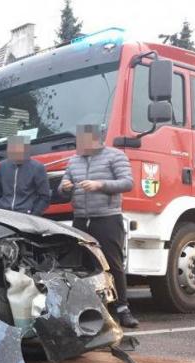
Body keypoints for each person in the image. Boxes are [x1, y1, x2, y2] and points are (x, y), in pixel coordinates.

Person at [59, 124, 138, 328]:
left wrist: (99, 184)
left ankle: (123, 309)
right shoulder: (73, 161)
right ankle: (89, 309)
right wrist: (65, 187)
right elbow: (63, 188)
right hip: (80, 220)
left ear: (96, 140)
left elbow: (128, 183)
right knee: (82, 264)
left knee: (113, 264)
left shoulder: (115, 156)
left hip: (107, 218)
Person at [0, 136, 51, 216]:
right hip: (4, 214)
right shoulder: (2, 166)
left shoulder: (37, 167)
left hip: (26, 215)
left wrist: (33, 215)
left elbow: (45, 197)